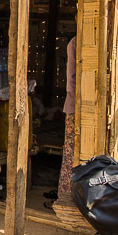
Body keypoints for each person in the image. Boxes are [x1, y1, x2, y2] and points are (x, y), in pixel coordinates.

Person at [45, 37, 76, 209]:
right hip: (75, 107)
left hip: (81, 107)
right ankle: (64, 199)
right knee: (70, 153)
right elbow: (71, 83)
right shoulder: (75, 43)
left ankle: (70, 198)